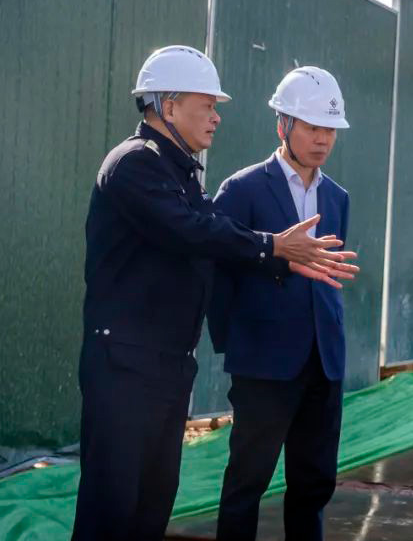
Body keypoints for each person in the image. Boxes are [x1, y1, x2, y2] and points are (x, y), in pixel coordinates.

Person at [73, 46, 357, 540]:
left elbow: (211, 236)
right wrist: (273, 249)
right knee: (113, 504)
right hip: (125, 364)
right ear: (168, 106)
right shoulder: (134, 164)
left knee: (151, 504)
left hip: (166, 363)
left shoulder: (182, 173)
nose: (216, 117)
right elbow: (195, 234)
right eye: (207, 105)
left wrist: (275, 253)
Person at [211, 66, 352, 541]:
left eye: (330, 129)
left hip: (323, 363)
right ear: (283, 126)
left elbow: (328, 274)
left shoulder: (336, 198)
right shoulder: (242, 190)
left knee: (314, 484)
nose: (322, 139)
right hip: (264, 364)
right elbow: (220, 270)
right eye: (312, 127)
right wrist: (237, 345)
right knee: (247, 481)